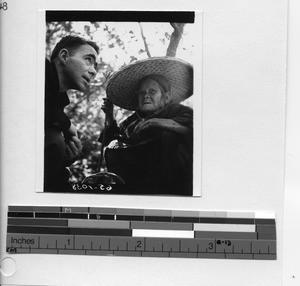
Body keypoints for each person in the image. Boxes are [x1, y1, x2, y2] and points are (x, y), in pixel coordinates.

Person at [100, 57, 193, 196]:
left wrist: (156, 122)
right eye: (142, 92)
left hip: (173, 185)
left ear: (166, 97)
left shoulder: (179, 112)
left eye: (152, 91)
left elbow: (193, 132)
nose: (146, 96)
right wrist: (109, 115)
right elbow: (110, 142)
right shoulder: (132, 121)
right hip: (138, 186)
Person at [44, 35, 99, 192]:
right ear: (64, 56)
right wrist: (67, 125)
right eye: (88, 59)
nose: (94, 71)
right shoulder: (36, 68)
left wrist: (64, 157)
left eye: (96, 65)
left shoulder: (58, 101)